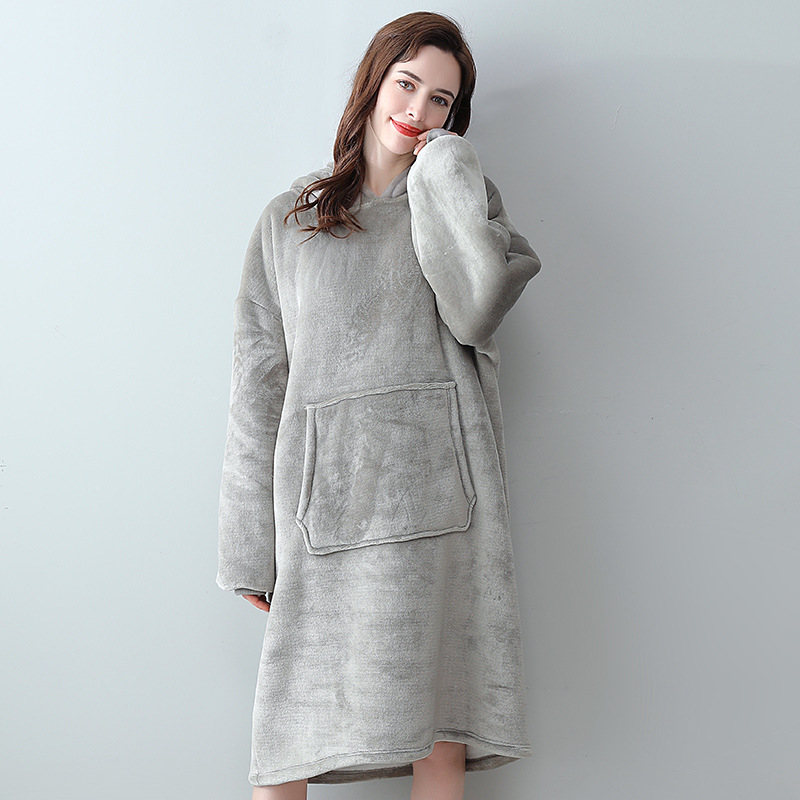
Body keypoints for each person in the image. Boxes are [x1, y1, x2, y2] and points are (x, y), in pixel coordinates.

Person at [216, 11, 542, 800]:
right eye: (407, 84)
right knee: (288, 742)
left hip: (440, 507)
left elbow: (478, 308)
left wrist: (446, 172)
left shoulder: (458, 202)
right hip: (321, 512)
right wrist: (247, 544)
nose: (418, 109)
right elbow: (257, 386)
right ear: (374, 81)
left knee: (440, 735)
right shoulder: (289, 222)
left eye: (442, 101)